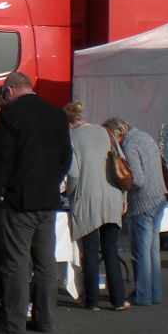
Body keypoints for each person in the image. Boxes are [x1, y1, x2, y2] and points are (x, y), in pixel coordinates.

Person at [0, 71, 73, 334]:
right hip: (48, 199)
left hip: (18, 199)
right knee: (45, 261)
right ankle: (45, 319)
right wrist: (52, 182)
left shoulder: (12, 114)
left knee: (15, 261)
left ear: (10, 90)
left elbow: (2, 157)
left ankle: (13, 321)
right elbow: (65, 157)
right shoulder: (57, 115)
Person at [64, 105, 128, 310]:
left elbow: (73, 174)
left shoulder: (73, 139)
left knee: (90, 251)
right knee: (110, 250)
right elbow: (122, 165)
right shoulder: (106, 132)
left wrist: (69, 193)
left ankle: (91, 300)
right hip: (113, 198)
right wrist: (124, 198)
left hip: (88, 199)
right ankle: (118, 299)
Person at [111, 119, 166, 306]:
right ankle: (154, 293)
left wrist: (123, 189)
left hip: (143, 202)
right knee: (153, 250)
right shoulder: (145, 137)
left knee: (140, 251)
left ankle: (142, 295)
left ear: (116, 134)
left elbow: (138, 179)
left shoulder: (129, 145)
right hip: (159, 196)